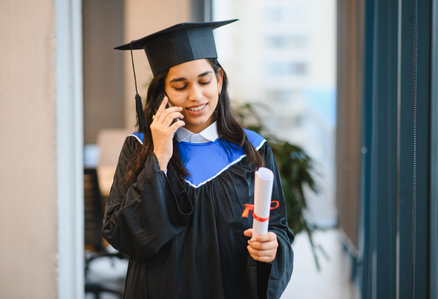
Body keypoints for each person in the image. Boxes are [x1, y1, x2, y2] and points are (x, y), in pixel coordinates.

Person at [101, 19, 294, 299]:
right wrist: (159, 159)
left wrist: (273, 246)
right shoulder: (139, 148)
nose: (195, 96)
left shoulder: (253, 150)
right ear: (163, 92)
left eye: (204, 81)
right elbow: (122, 235)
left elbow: (277, 226)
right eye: (180, 86)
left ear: (218, 80)